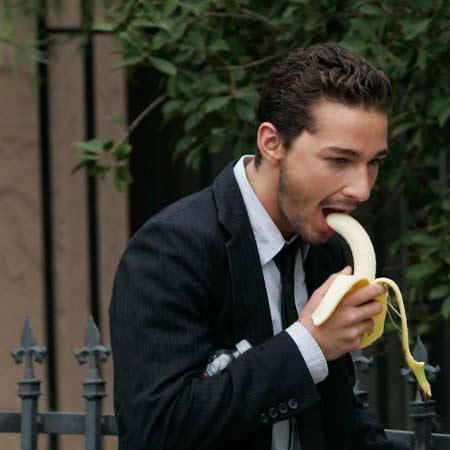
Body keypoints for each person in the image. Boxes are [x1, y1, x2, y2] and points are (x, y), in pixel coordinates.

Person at [110, 43, 409, 450]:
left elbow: (334, 419)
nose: (362, 189)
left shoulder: (327, 252)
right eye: (340, 160)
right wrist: (309, 344)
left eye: (374, 162)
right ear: (272, 143)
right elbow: (158, 430)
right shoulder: (171, 250)